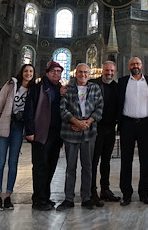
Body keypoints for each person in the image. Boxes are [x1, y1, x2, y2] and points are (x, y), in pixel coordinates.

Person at [56, 64, 103, 211]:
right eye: (80, 72)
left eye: (86, 72)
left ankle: (86, 197)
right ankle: (68, 198)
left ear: (90, 74)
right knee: (70, 167)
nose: (83, 74)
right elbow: (62, 109)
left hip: (88, 132)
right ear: (76, 74)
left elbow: (100, 108)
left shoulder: (95, 88)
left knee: (87, 167)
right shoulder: (68, 88)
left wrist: (86, 123)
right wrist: (76, 122)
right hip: (71, 131)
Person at [0, 64, 35, 210]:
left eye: (31, 71)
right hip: (4, 125)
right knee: (0, 162)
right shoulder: (10, 85)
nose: (28, 73)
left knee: (13, 163)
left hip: (18, 128)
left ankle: (8, 196)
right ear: (21, 72)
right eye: (26, 71)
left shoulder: (33, 90)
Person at [24, 61, 65, 211]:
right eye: (53, 71)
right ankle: (38, 200)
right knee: (40, 167)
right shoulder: (38, 87)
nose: (56, 74)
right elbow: (29, 109)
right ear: (47, 72)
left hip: (56, 134)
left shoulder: (60, 89)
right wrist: (29, 131)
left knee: (51, 166)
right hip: (41, 133)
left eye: (59, 71)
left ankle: (45, 197)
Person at [118, 56, 148, 206]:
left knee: (145, 160)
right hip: (127, 123)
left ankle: (144, 193)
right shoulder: (122, 82)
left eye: (138, 63)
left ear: (142, 65)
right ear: (129, 67)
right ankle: (126, 194)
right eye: (133, 63)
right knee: (126, 160)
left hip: (145, 124)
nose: (135, 65)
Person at [90, 61, 122, 205]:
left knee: (106, 161)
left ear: (114, 72)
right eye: (107, 70)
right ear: (102, 70)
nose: (109, 73)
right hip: (95, 128)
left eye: (112, 71)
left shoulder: (116, 87)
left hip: (110, 129)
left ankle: (105, 189)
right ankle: (92, 191)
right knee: (93, 161)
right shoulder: (92, 84)